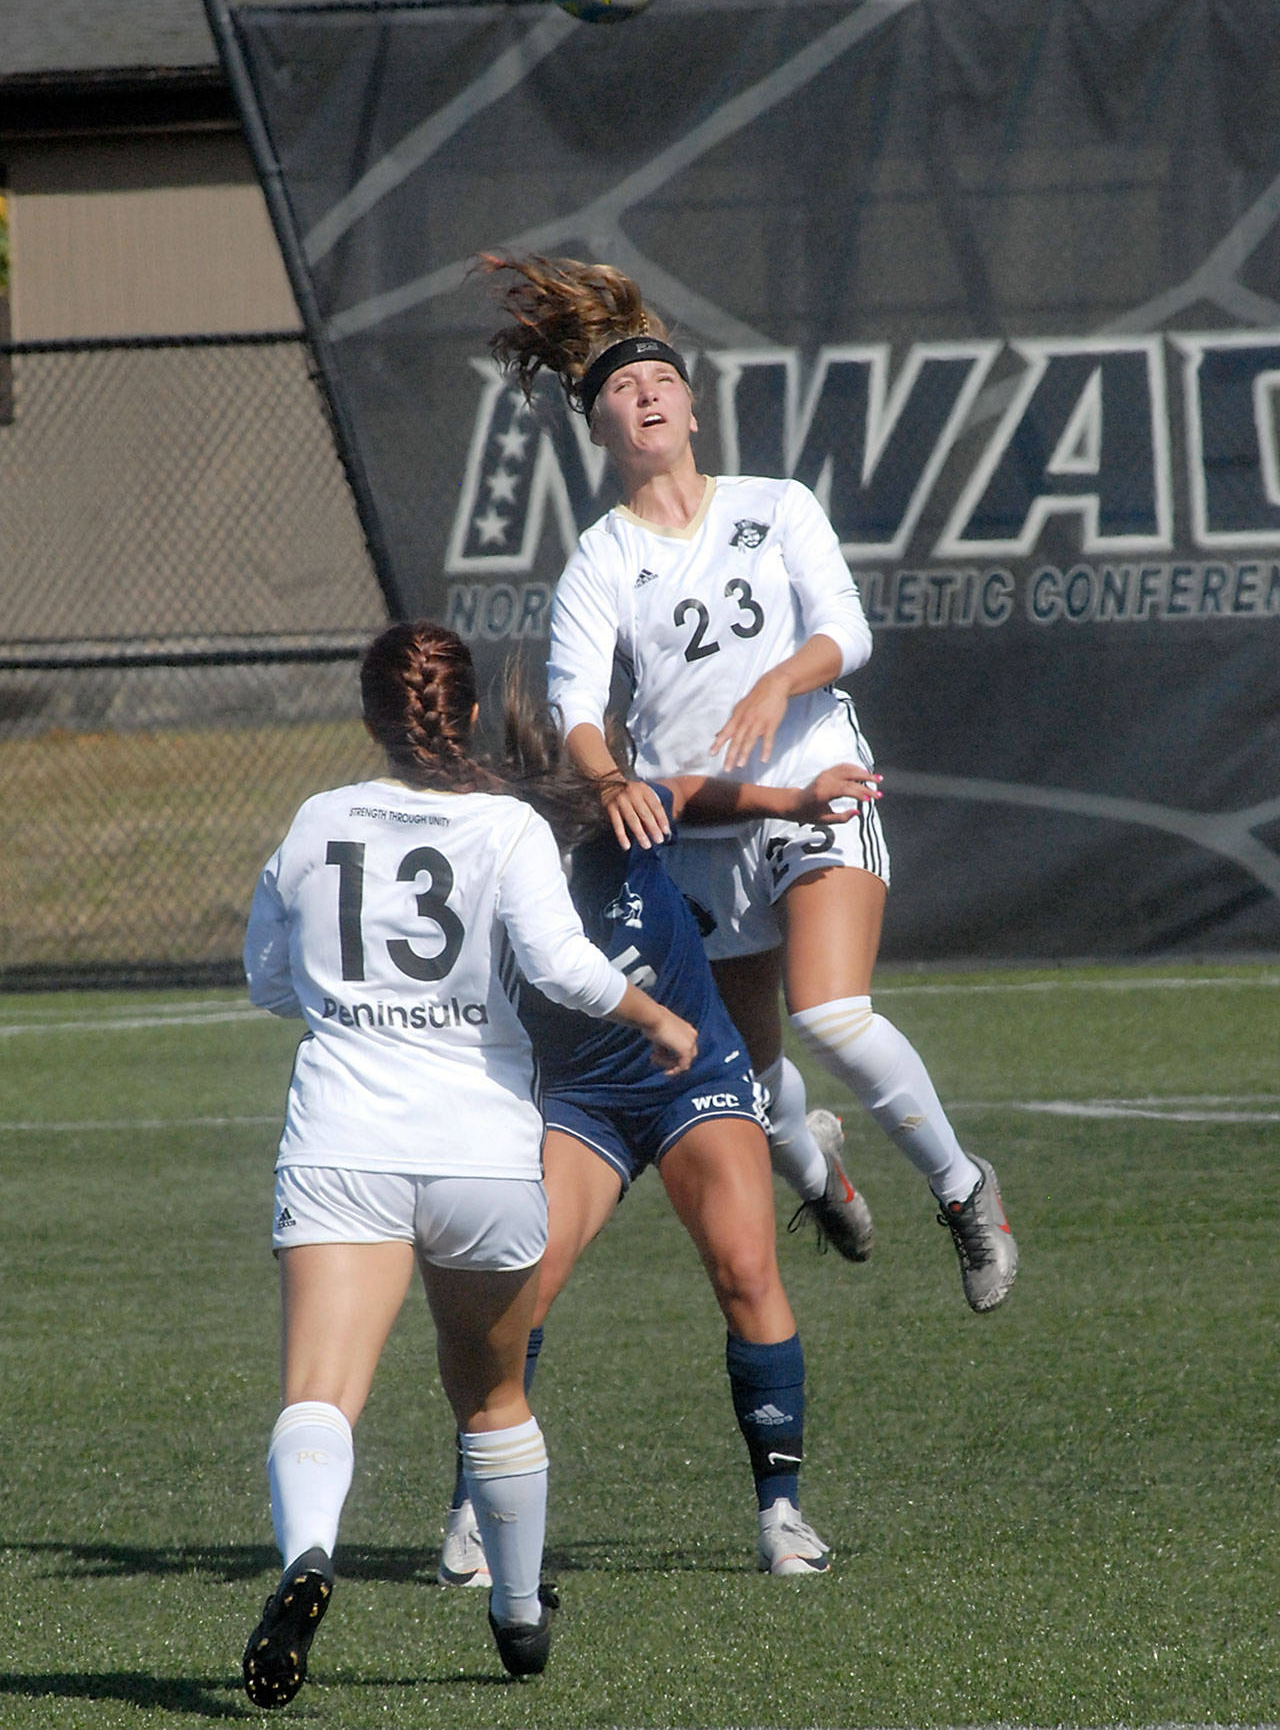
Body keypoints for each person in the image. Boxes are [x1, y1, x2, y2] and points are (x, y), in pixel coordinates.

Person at [478, 253, 1018, 1316]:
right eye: (620, 391)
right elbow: (578, 710)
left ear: (688, 400)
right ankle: (813, 1169)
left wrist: (779, 682)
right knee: (750, 1081)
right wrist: (607, 779)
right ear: (597, 429)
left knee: (831, 1009)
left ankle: (963, 1194)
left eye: (658, 381)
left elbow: (844, 632)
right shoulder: (600, 560)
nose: (644, 397)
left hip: (815, 783)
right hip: (701, 828)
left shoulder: (776, 505)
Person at [239, 621, 697, 1706]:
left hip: (343, 1139)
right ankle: (518, 1611)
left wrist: (354, 1008)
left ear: (370, 720)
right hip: (480, 1150)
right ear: (473, 712)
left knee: (320, 1392)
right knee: (490, 1396)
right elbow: (555, 963)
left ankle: (309, 1558)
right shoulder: (507, 826)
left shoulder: (316, 821)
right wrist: (655, 1017)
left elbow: (268, 980)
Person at [437, 681, 879, 1591]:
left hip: (694, 1075)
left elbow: (687, 790)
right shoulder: (480, 866)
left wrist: (792, 801)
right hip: (581, 1096)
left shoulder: (618, 823)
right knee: (522, 1286)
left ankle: (781, 1515)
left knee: (747, 1270)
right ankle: (473, 1509)